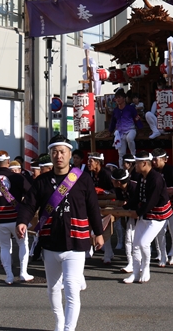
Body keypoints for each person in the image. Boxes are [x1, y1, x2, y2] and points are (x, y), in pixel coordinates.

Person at [16, 135, 103, 331]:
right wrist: (22, 221)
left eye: (62, 152)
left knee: (72, 288)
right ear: (50, 154)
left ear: (70, 154)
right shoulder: (42, 181)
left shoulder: (83, 179)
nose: (58, 156)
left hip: (76, 242)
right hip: (50, 242)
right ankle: (59, 322)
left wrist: (98, 232)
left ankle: (68, 329)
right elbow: (29, 204)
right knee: (53, 288)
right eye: (54, 152)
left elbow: (93, 207)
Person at [0, 150, 33, 284]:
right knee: (23, 243)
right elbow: (31, 192)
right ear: (8, 162)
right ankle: (23, 273)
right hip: (17, 218)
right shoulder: (17, 177)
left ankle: (9, 276)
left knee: (4, 246)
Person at [124, 150, 172, 284]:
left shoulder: (156, 179)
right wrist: (126, 207)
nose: (135, 166)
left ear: (145, 163)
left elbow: (152, 201)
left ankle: (146, 269)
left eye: (137, 163)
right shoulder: (141, 177)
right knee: (135, 244)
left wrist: (137, 212)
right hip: (145, 214)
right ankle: (135, 273)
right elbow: (137, 196)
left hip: (158, 216)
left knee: (144, 243)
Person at [152, 148, 173, 266]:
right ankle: (163, 255)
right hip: (161, 205)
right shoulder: (153, 172)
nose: (154, 162)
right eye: (153, 159)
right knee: (160, 231)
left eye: (156, 159)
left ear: (164, 160)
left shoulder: (172, 170)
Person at [85, 152, 115, 264]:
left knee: (104, 227)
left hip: (108, 204)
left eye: (91, 161)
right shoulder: (88, 173)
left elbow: (115, 189)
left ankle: (108, 253)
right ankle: (89, 249)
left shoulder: (106, 173)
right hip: (94, 204)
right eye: (88, 161)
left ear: (97, 162)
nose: (88, 163)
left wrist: (102, 191)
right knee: (88, 224)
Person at [111, 166, 138, 273]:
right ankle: (130, 263)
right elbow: (121, 201)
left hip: (142, 214)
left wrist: (126, 206)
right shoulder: (118, 188)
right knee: (128, 237)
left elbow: (137, 202)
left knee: (139, 240)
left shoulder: (134, 187)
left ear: (118, 182)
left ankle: (139, 262)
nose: (111, 181)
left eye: (113, 180)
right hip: (130, 214)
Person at [110, 89, 143, 166]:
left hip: (131, 129)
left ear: (124, 98)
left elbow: (136, 118)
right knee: (121, 153)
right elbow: (113, 122)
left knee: (129, 138)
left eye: (119, 97)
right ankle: (122, 170)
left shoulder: (131, 108)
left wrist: (140, 129)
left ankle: (133, 155)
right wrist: (110, 131)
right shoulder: (115, 111)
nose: (117, 99)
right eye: (116, 98)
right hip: (120, 132)